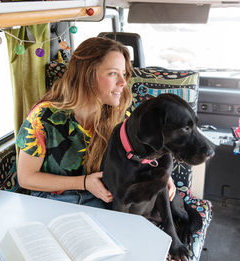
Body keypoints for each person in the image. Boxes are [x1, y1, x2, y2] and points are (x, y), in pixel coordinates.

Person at [16, 37, 176, 209]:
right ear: (87, 75)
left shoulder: (124, 115)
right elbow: (26, 178)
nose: (123, 83)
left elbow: (146, 153)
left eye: (123, 74)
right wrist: (84, 183)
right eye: (113, 73)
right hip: (52, 203)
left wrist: (164, 176)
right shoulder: (43, 117)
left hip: (103, 203)